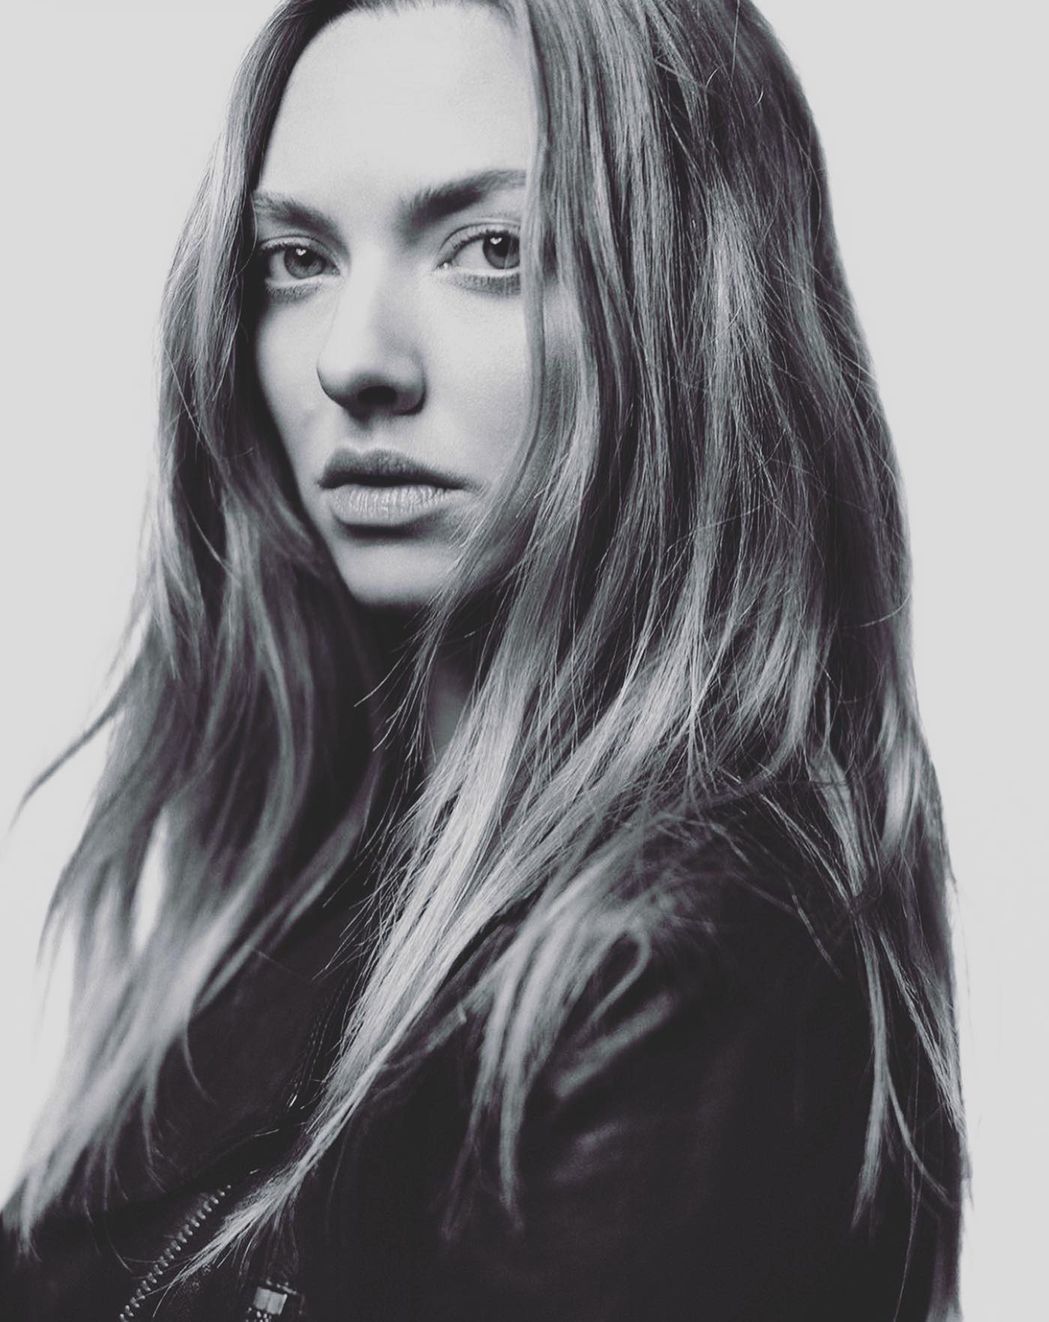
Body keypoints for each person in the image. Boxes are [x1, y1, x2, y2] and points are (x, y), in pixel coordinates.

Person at [1, 0, 965, 1318]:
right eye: (297, 259)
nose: (352, 360)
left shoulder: (690, 968)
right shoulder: (285, 902)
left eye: (493, 250)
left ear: (690, 307)